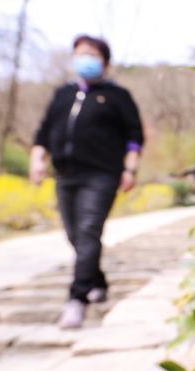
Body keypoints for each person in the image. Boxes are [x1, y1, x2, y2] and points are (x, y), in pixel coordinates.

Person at [29, 35, 144, 329]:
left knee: (89, 231)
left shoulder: (118, 96)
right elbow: (44, 131)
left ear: (104, 61)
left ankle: (76, 299)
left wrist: (130, 169)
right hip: (66, 175)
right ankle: (97, 281)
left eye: (91, 54)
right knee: (75, 236)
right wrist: (38, 159)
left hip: (102, 174)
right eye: (79, 54)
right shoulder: (63, 94)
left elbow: (134, 136)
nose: (84, 59)